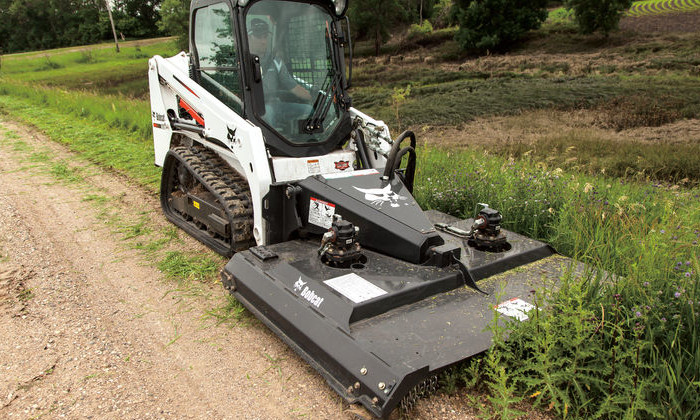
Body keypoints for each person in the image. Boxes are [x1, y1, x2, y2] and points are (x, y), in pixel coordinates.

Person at [247, 18, 313, 131]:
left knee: (308, 110)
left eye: (265, 37)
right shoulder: (244, 63)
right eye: (259, 37)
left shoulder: (275, 61)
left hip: (277, 104)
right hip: (257, 109)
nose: (263, 41)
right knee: (267, 115)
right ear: (249, 37)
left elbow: (293, 87)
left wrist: (313, 98)